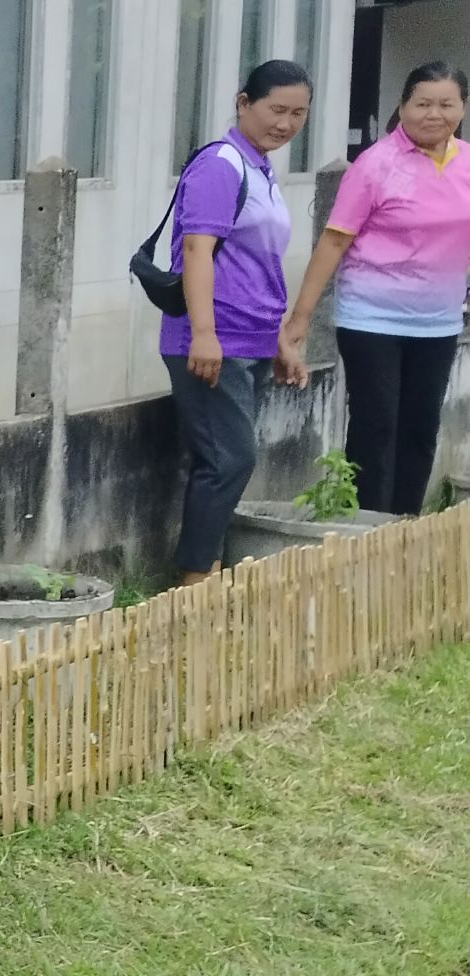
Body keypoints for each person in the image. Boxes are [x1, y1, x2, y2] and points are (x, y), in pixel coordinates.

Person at [281, 61, 470, 517]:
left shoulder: (466, 162)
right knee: (377, 425)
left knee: (421, 429)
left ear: (461, 108)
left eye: (446, 104)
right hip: (372, 318)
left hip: (439, 320)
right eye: (422, 103)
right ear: (402, 106)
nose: (434, 114)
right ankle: (366, 526)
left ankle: (405, 526)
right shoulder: (376, 165)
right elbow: (333, 241)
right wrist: (300, 319)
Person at [166, 60, 314, 585]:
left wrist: (279, 339)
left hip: (249, 337)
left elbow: (257, 267)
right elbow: (196, 249)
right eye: (276, 109)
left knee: (223, 459)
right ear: (243, 102)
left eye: (298, 113)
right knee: (230, 458)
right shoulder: (221, 165)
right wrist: (204, 334)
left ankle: (208, 568)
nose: (287, 123)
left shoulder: (260, 169)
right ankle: (193, 583)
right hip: (214, 337)